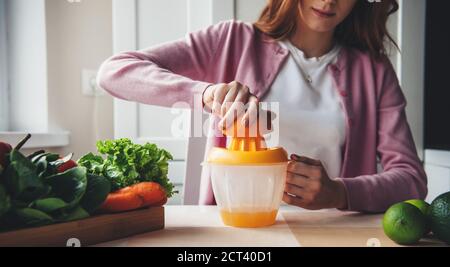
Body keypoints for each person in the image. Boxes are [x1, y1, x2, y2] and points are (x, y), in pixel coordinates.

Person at [97, 0, 427, 213]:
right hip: (235, 238)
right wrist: (208, 93)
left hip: (332, 234)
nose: (329, 1)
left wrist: (340, 193)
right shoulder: (231, 41)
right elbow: (115, 72)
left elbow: (411, 178)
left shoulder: (374, 71)